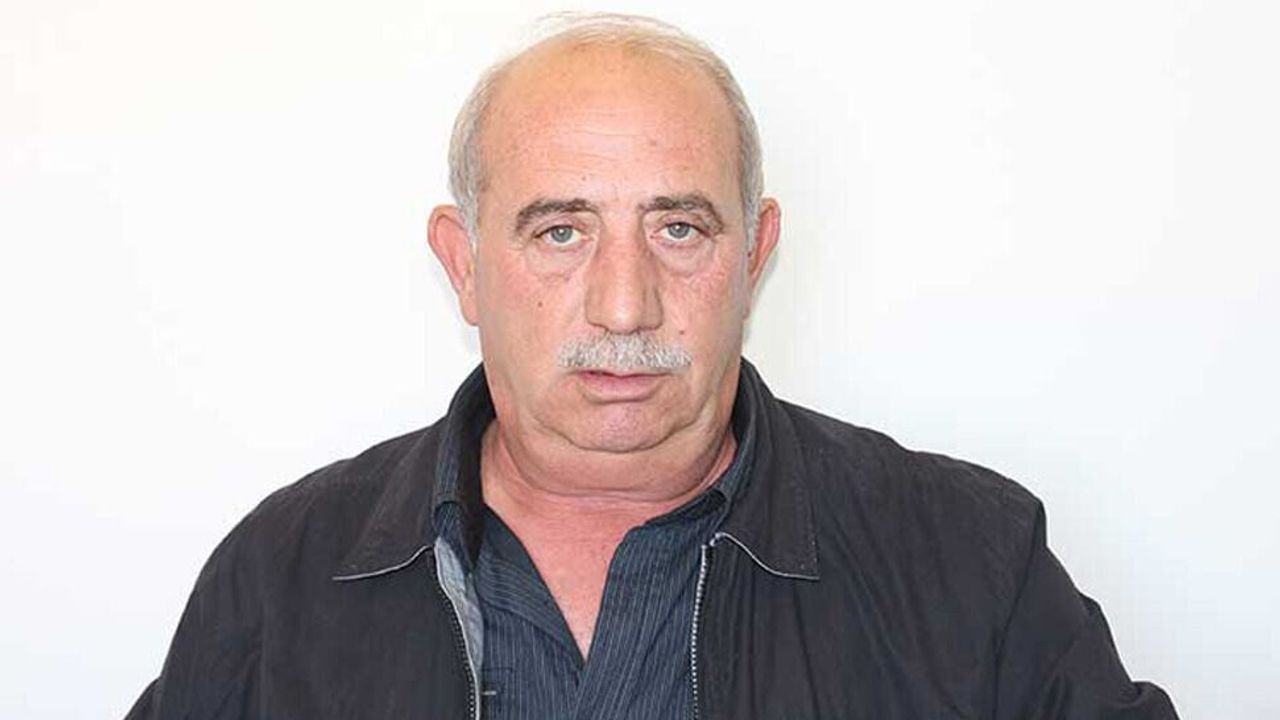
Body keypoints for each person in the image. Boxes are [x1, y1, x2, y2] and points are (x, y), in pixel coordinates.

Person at [126, 13, 1178, 720]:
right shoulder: (282, 578)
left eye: (678, 228)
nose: (624, 306)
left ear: (754, 257)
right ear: (464, 265)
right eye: (560, 232)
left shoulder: (969, 563)